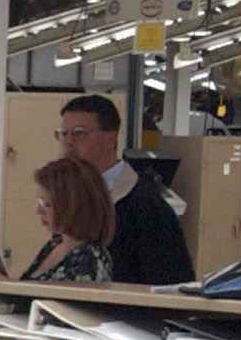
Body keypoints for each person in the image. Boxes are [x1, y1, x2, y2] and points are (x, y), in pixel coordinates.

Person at [56, 93, 190, 285]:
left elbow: (171, 283)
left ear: (110, 139)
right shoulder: (73, 197)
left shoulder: (145, 205)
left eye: (79, 133)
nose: (68, 142)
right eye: (63, 133)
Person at [19, 156, 115, 284]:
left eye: (47, 204)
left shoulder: (89, 259)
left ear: (72, 206)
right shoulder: (56, 243)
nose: (39, 211)